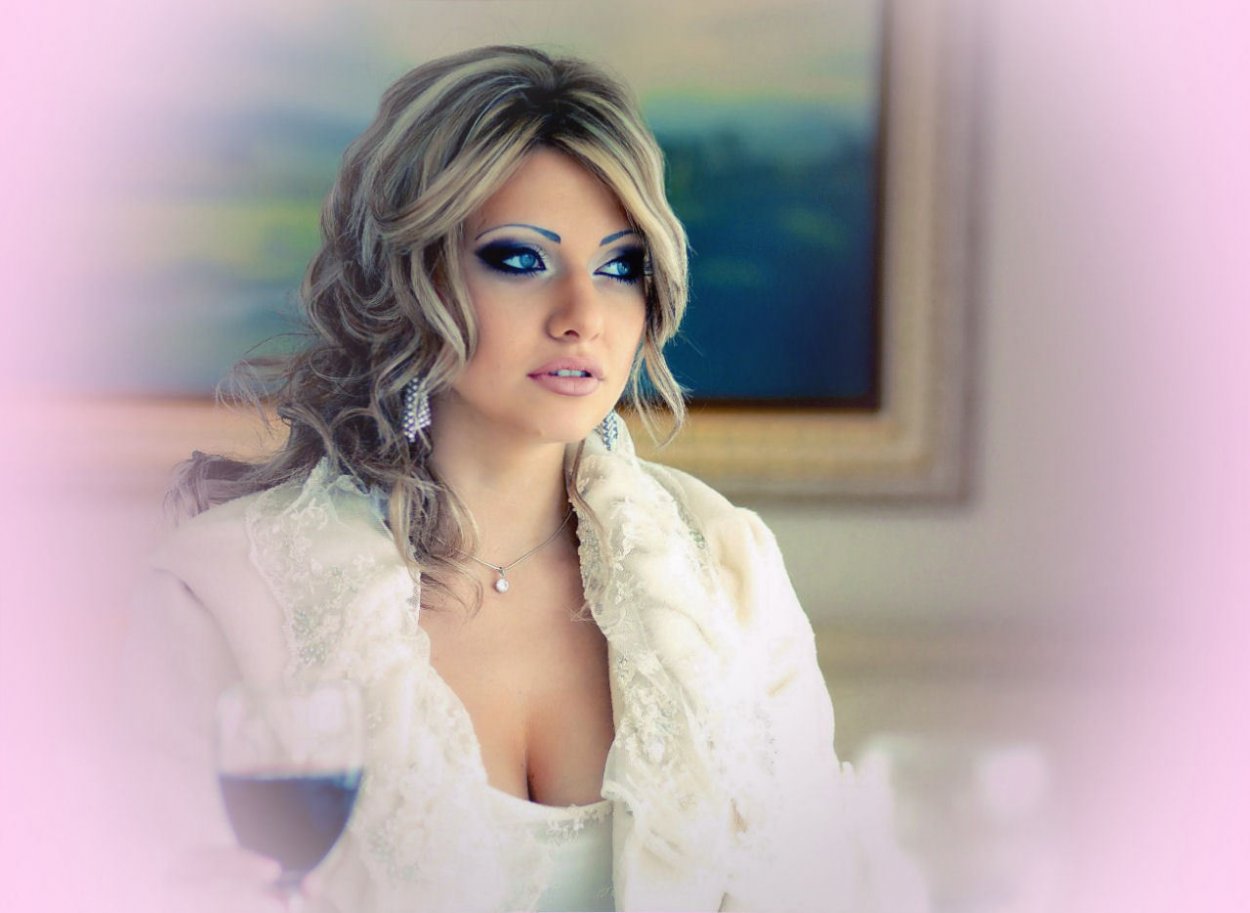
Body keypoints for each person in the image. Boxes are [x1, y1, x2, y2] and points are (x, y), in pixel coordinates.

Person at [126, 45, 926, 913]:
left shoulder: (731, 569)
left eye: (619, 267)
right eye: (520, 259)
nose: (584, 315)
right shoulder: (224, 596)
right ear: (411, 278)